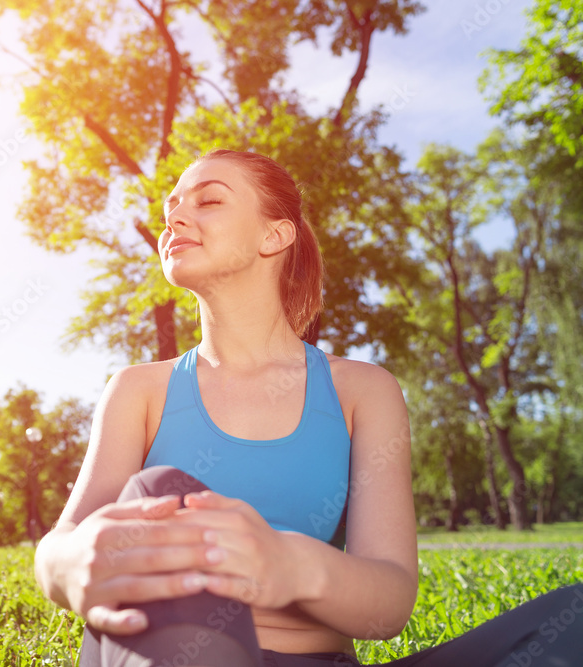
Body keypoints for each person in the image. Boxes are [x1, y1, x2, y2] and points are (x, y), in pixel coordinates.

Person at [33, 149, 583, 667]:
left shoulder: (362, 391)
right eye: (170, 207)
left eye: (208, 200)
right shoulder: (138, 390)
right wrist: (68, 564)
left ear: (275, 236)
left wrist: (286, 563)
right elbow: (60, 545)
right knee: (161, 493)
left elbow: (389, 600)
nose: (174, 218)